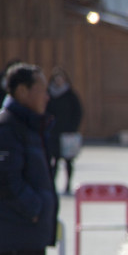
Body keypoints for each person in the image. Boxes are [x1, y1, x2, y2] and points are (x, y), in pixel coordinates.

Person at [0, 63, 59, 255]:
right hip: (15, 230)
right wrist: (35, 207)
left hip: (32, 229)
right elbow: (7, 179)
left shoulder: (31, 125)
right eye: (41, 89)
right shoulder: (7, 126)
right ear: (22, 91)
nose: (47, 96)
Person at [45, 67, 82, 195]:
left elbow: (77, 112)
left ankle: (68, 185)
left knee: (68, 161)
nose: (59, 81)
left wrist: (73, 127)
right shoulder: (48, 94)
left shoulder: (70, 95)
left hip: (67, 132)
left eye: (61, 78)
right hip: (53, 132)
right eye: (56, 78)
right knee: (53, 161)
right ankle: (52, 185)